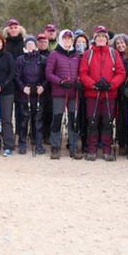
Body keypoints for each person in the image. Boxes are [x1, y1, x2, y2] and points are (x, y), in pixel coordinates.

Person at [78, 26, 125, 161]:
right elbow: (83, 72)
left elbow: (121, 73)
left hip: (109, 94)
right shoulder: (88, 53)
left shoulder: (113, 53)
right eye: (98, 37)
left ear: (107, 39)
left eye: (103, 37)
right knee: (92, 122)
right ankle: (92, 150)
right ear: (94, 39)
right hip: (92, 94)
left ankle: (107, 150)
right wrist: (93, 84)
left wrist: (112, 84)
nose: (101, 39)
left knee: (107, 122)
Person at [45, 29, 81, 160]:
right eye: (65, 38)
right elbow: (48, 73)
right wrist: (60, 82)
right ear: (61, 39)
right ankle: (55, 146)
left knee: (73, 120)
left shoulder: (76, 55)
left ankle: (73, 146)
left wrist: (79, 81)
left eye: (69, 38)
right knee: (57, 119)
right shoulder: (54, 54)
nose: (67, 41)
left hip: (73, 92)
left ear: (72, 40)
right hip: (59, 92)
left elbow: (80, 71)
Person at [15, 36, 48, 155]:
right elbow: (17, 76)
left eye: (32, 44)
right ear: (25, 46)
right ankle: (22, 144)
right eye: (28, 44)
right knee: (24, 120)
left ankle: (39, 145)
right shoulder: (20, 59)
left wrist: (42, 86)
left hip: (38, 94)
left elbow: (47, 76)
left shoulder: (42, 59)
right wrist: (23, 87)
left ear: (36, 45)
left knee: (38, 120)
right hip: (25, 94)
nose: (30, 46)